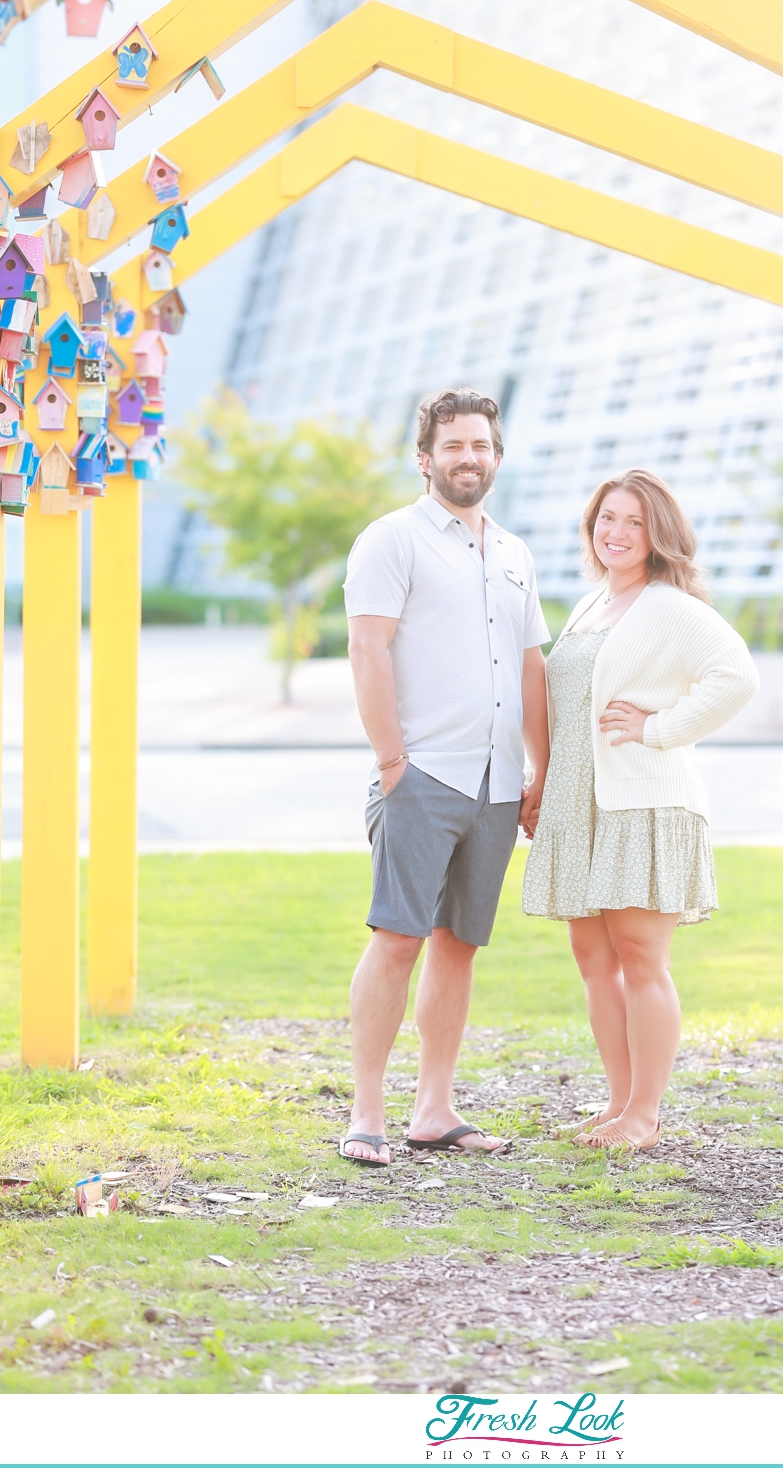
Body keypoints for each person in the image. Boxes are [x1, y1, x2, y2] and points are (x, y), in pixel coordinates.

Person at [341, 388, 550, 1167]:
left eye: (482, 445)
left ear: (498, 456)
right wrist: (394, 763)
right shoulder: (390, 541)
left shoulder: (515, 553)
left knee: (458, 945)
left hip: (499, 785)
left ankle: (434, 1109)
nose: (470, 457)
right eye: (455, 445)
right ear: (425, 458)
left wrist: (541, 772)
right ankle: (367, 1112)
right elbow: (367, 652)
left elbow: (533, 671)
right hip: (422, 775)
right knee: (397, 941)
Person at [522, 470, 758, 1152]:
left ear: (657, 534)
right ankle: (619, 1103)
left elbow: (736, 676)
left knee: (640, 957)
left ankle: (644, 1116)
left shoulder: (668, 605)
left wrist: (658, 727)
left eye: (633, 521)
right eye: (607, 519)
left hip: (644, 802)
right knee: (593, 957)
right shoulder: (592, 604)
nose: (617, 533)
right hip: (582, 803)